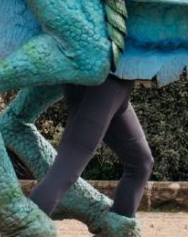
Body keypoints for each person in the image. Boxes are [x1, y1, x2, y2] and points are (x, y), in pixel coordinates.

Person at [28, 76, 153, 219]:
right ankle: (25, 227)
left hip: (117, 91)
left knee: (141, 163)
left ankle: (118, 226)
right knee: (64, 172)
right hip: (101, 87)